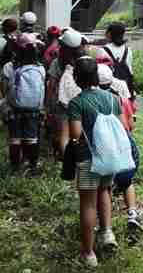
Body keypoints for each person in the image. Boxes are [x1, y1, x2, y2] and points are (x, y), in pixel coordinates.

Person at [66, 57, 121, 267]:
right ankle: (107, 234)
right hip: (110, 156)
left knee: (88, 203)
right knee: (105, 191)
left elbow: (75, 133)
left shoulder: (77, 102)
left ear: (77, 77)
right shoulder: (112, 98)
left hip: (89, 158)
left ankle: (88, 254)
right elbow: (120, 125)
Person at [98, 63, 142, 234]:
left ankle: (106, 226)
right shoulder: (121, 99)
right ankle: (132, 213)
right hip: (124, 146)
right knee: (127, 182)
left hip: (105, 148)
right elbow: (130, 125)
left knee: (105, 185)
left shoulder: (92, 100)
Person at [3, 33, 46, 175]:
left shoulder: (10, 66)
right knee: (32, 137)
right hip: (34, 108)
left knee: (15, 138)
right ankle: (32, 165)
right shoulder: (40, 68)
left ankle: (15, 168)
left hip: (14, 108)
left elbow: (4, 88)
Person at [56, 29, 86, 154]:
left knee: (64, 132)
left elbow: (52, 82)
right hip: (82, 98)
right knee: (81, 132)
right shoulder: (85, 61)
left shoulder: (58, 62)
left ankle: (65, 159)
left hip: (64, 100)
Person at [102, 22, 135, 98]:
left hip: (110, 88)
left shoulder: (103, 50)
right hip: (126, 87)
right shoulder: (128, 50)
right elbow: (130, 70)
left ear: (109, 34)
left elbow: (101, 73)